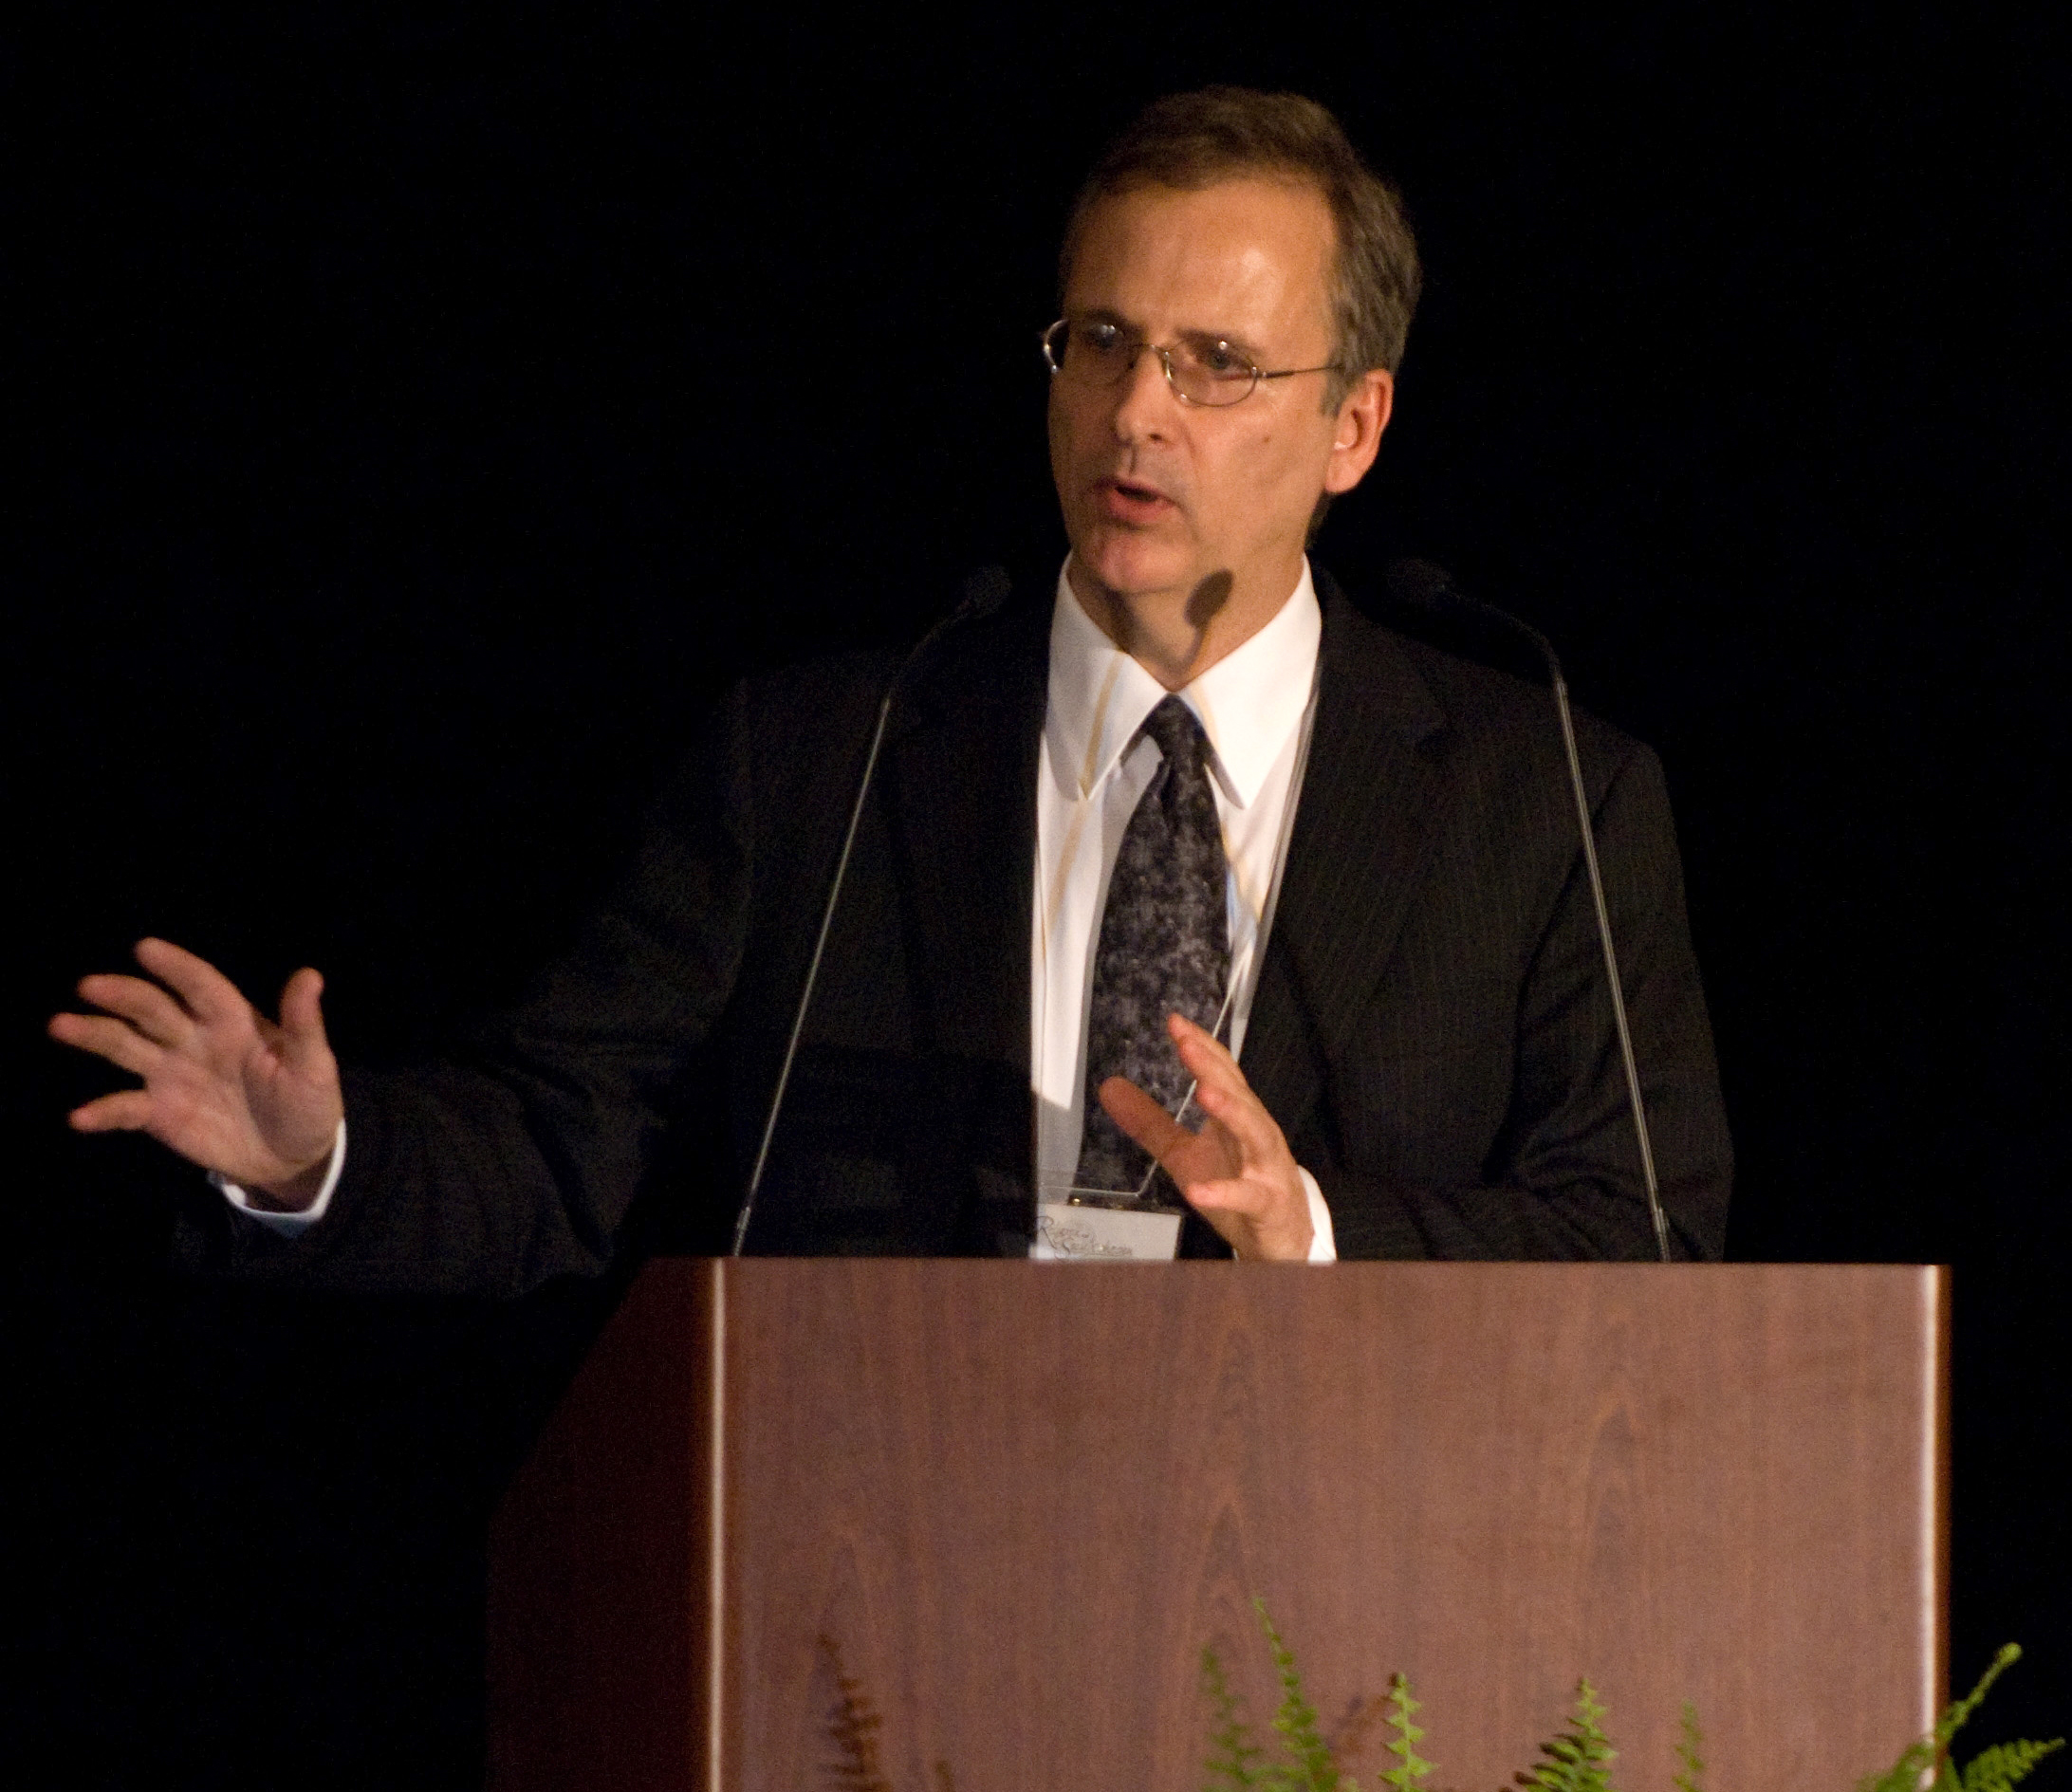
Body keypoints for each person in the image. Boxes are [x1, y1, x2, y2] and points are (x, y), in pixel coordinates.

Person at [47, 87, 1732, 1284]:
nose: (1138, 411)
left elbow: (1641, 1233)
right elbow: (568, 1138)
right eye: (1099, 343)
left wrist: (1307, 1232)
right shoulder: (830, 757)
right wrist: (312, 1164)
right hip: (906, 1569)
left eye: (1216, 366)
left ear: (1354, 425)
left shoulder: (1543, 793)